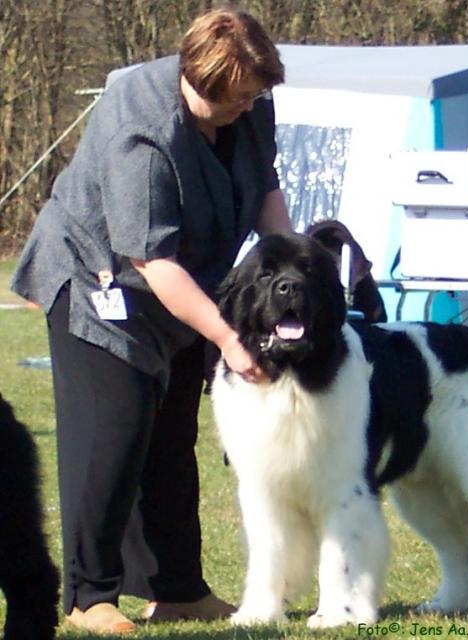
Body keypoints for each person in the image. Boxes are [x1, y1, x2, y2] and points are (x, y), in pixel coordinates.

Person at [11, 7, 291, 634]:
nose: (247, 109)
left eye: (254, 97)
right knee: (114, 428)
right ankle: (88, 595)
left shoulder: (249, 104)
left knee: (170, 437)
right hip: (98, 279)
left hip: (188, 281)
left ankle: (177, 589)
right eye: (237, 100)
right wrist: (226, 338)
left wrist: (294, 266)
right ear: (199, 80)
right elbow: (151, 258)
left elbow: (265, 184)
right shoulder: (141, 129)